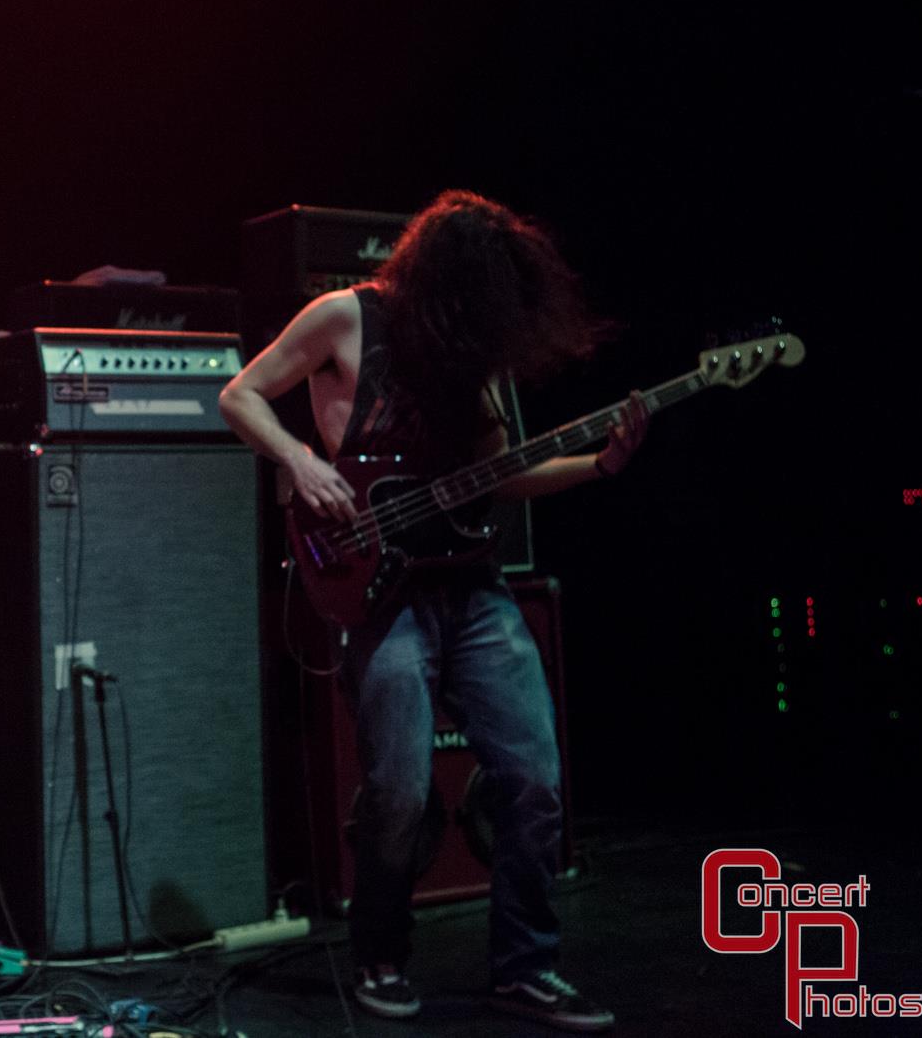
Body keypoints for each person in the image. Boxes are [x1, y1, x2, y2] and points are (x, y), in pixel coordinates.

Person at [220, 190, 645, 1032]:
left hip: (471, 585)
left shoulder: (471, 350)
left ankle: (524, 967)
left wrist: (599, 464)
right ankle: (379, 953)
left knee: (533, 777)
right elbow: (241, 395)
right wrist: (301, 460)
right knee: (401, 787)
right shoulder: (347, 317)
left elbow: (502, 476)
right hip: (379, 586)